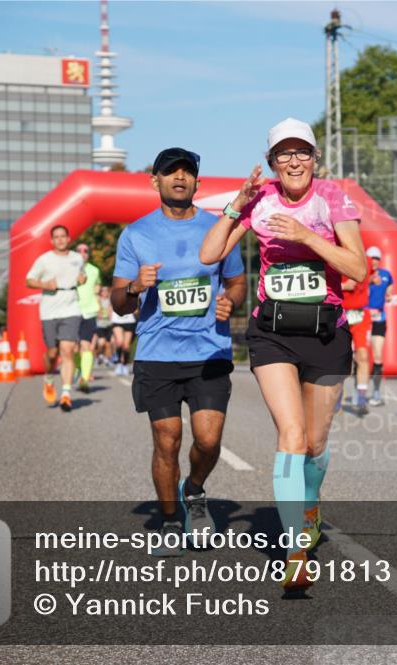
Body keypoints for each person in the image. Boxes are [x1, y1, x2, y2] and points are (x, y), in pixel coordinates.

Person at [200, 117, 365, 592]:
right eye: (284, 154)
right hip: (272, 331)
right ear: (272, 161)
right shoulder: (260, 199)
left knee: (315, 441)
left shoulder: (334, 198)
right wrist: (238, 203)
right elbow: (209, 255)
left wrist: (307, 237)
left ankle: (309, 504)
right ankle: (295, 551)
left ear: (315, 158)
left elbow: (359, 268)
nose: (294, 161)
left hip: (326, 331)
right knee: (290, 434)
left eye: (302, 152)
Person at [112, 147, 246, 556]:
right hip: (157, 354)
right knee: (167, 440)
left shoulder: (218, 228)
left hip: (209, 352)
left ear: (197, 183)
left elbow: (237, 282)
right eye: (171, 172)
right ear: (155, 180)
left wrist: (230, 300)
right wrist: (134, 286)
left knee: (208, 440)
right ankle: (171, 521)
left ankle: (195, 490)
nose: (180, 178)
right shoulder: (135, 234)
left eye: (187, 172)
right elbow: (118, 302)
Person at [25, 225, 86, 412]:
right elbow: (28, 280)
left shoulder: (77, 259)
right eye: (56, 237)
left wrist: (83, 279)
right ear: (52, 241)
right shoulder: (44, 260)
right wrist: (45, 284)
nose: (60, 240)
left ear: (69, 239)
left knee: (67, 350)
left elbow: (81, 275)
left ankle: (66, 393)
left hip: (71, 307)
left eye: (63, 236)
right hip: (49, 310)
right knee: (52, 353)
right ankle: (49, 376)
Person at [341, 256, 373, 416]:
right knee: (339, 359)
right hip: (339, 315)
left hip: (360, 315)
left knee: (363, 356)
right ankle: (337, 397)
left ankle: (361, 399)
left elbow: (375, 274)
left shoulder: (366, 259)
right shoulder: (333, 254)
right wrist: (343, 286)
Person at [365, 246, 393, 406]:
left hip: (379, 318)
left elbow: (390, 286)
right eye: (371, 258)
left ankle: (376, 393)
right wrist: (369, 280)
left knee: (377, 356)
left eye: (376, 258)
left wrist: (389, 293)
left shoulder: (385, 274)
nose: (373, 261)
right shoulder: (361, 273)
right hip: (362, 318)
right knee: (359, 356)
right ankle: (358, 390)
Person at [75, 242, 102, 392]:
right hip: (72, 310)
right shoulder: (69, 269)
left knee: (86, 346)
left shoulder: (94, 270)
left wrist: (98, 305)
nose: (83, 252)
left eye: (86, 250)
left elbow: (97, 287)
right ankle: (78, 369)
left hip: (90, 311)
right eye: (79, 250)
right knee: (73, 348)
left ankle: (84, 379)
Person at [111, 303, 135, 376]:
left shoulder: (131, 292)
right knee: (119, 342)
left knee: (126, 346)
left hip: (129, 320)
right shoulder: (114, 291)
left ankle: (124, 365)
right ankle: (119, 364)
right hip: (117, 320)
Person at [95, 285, 113, 366]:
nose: (105, 293)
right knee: (101, 343)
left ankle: (106, 359)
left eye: (106, 291)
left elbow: (111, 311)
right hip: (100, 324)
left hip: (109, 323)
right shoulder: (98, 300)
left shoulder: (110, 300)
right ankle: (99, 355)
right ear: (101, 293)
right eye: (103, 291)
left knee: (108, 344)